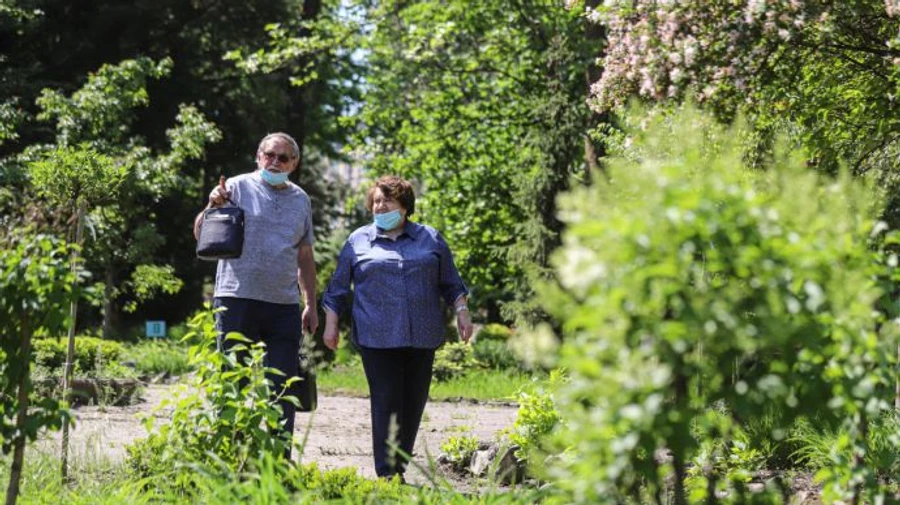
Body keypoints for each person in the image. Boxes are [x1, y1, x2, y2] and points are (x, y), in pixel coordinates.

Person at [321, 175, 474, 481]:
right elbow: (337, 289)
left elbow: (451, 283)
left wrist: (462, 312)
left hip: (422, 334)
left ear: (404, 206)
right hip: (377, 336)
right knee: (386, 400)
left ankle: (399, 464)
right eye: (376, 201)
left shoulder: (430, 239)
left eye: (387, 201)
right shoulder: (358, 240)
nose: (380, 206)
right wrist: (331, 324)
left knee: (413, 403)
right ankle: (388, 473)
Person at [193, 132, 318, 457]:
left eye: (283, 158)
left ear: (294, 163)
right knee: (233, 381)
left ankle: (278, 462)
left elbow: (305, 256)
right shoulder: (235, 187)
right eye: (269, 155)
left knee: (283, 387)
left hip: (284, 306)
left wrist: (311, 304)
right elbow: (200, 234)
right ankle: (227, 457)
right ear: (258, 156)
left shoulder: (301, 200)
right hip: (237, 298)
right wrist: (212, 205)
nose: (275, 162)